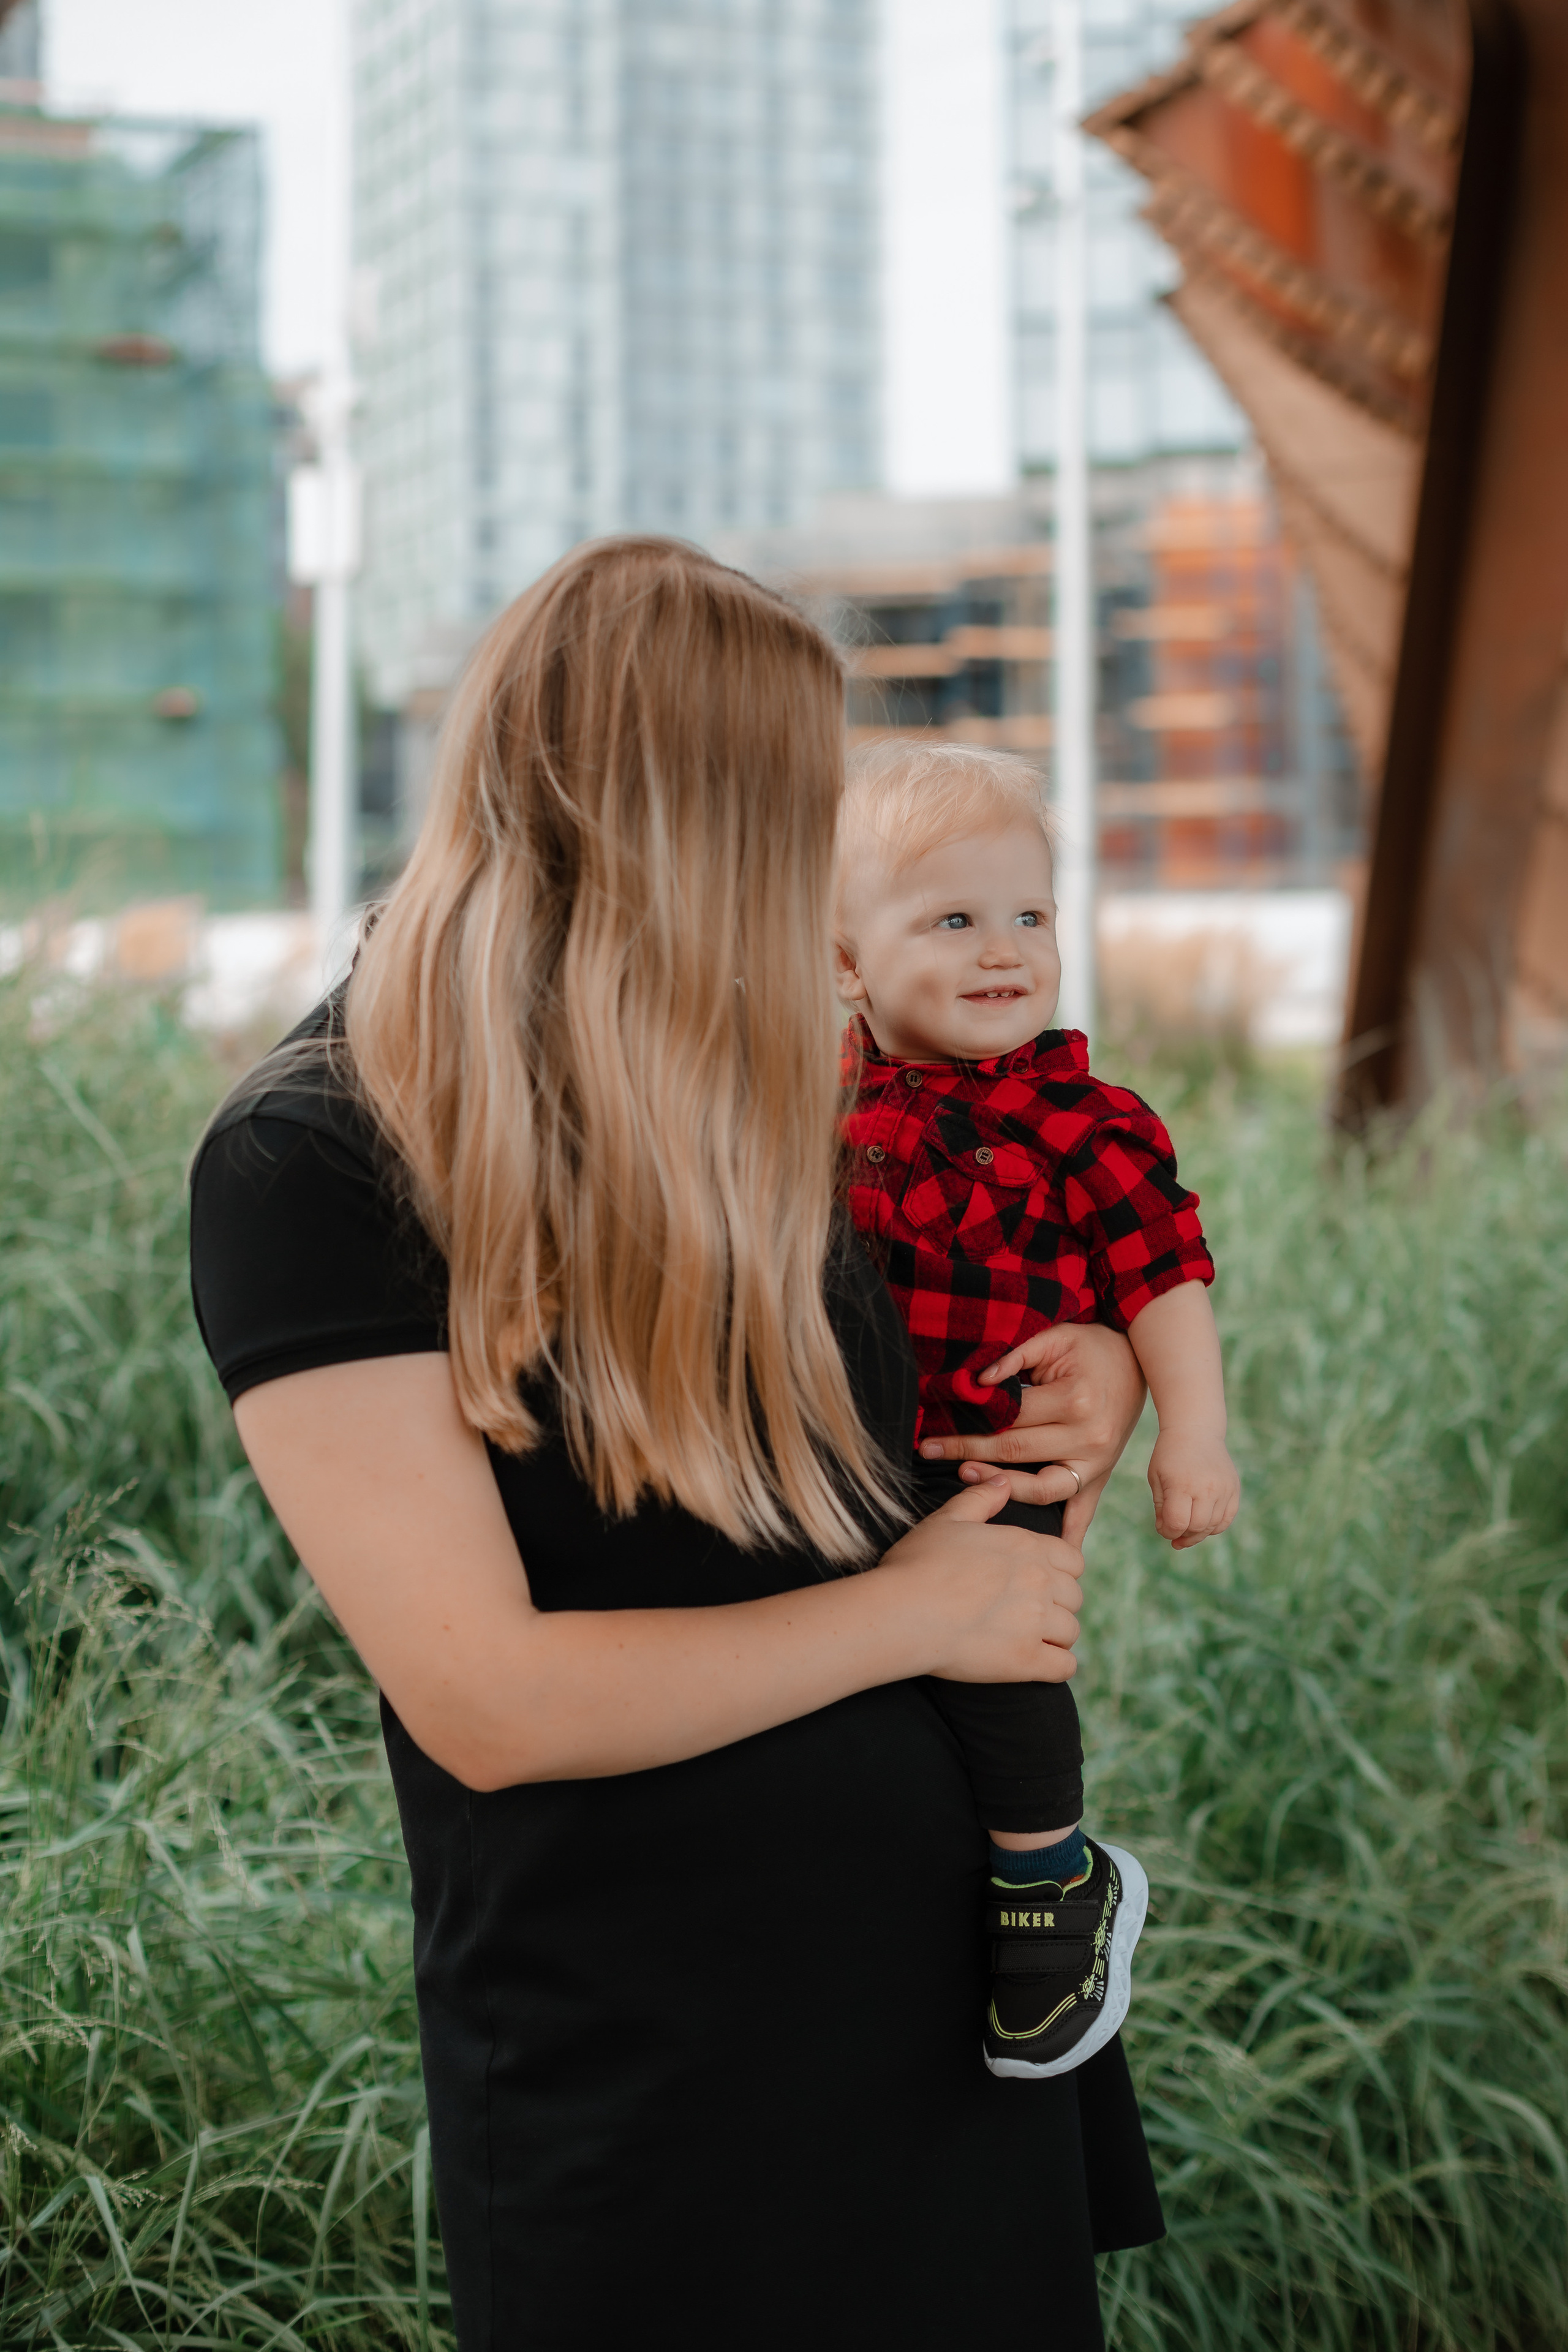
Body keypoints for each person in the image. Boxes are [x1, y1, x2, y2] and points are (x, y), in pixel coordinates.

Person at [189, 538, 1163, 2352]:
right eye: (798, 806)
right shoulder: (314, 1154)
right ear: (675, 817)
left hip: (957, 1999)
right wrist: (916, 1621)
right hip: (649, 2067)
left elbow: (949, 1394)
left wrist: (1091, 1353)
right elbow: (486, 1698)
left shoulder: (781, 1088)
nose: (826, 865)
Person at [834, 738, 1240, 2083]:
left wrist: (1191, 1431)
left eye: (1027, 917)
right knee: (872, 1675)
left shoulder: (1084, 1120)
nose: (1001, 948)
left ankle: (1048, 1880)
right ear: (847, 964)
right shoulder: (820, 1106)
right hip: (851, 1457)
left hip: (1005, 1459)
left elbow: (1163, 1277)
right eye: (951, 920)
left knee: (1001, 1660)